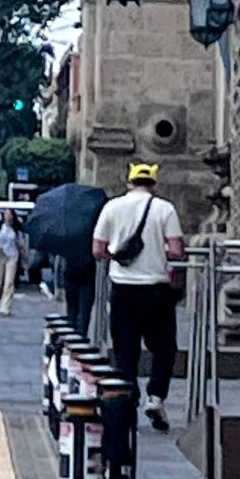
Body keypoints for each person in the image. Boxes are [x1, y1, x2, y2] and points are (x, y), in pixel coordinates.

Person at [93, 162, 186, 433]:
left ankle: (127, 401)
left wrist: (118, 255)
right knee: (164, 347)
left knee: (125, 349)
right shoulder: (165, 209)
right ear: (153, 183)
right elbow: (177, 250)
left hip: (122, 289)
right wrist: (158, 252)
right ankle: (156, 396)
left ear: (130, 181)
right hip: (156, 290)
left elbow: (98, 249)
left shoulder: (112, 207)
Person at [0, 209, 23, 317]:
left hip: (12, 256)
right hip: (0, 255)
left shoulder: (16, 230)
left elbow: (20, 244)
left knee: (9, 282)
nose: (8, 216)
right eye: (6, 214)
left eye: (9, 214)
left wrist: (22, 251)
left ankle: (5, 307)